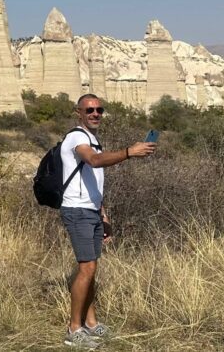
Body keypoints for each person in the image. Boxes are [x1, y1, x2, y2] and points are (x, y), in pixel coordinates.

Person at [60, 94, 155, 349]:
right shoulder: (77, 137)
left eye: (99, 110)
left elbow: (93, 180)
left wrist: (103, 214)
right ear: (78, 112)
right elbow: (94, 160)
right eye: (89, 110)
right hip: (77, 210)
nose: (95, 114)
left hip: (90, 211)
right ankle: (74, 328)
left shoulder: (92, 139)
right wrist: (128, 152)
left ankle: (90, 322)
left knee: (91, 269)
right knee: (87, 269)